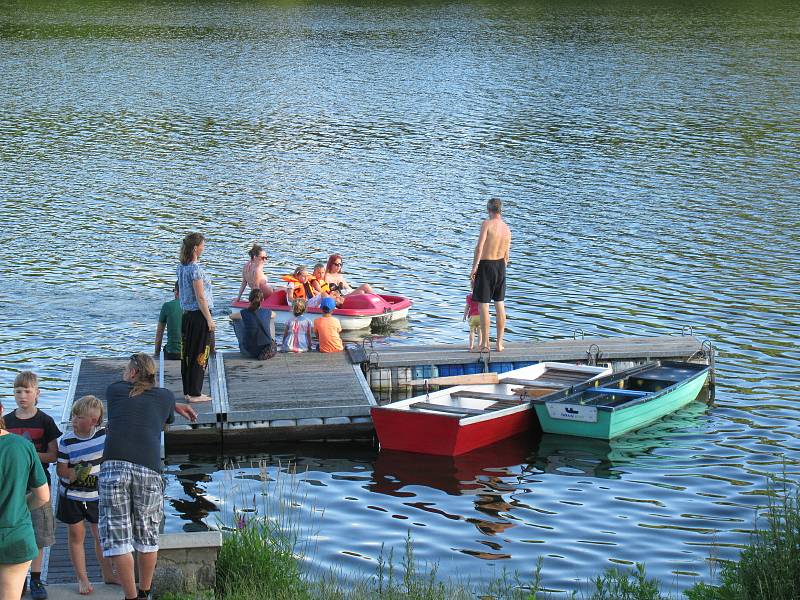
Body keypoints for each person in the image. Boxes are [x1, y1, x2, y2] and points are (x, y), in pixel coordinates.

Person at [99, 354, 197, 600]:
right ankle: (144, 592)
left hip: (115, 467)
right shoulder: (165, 396)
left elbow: (137, 397)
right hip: (148, 469)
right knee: (147, 536)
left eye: (125, 369)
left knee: (119, 536)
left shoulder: (114, 391)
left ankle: (130, 596)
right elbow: (160, 410)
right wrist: (174, 404)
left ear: (132, 373)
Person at [4, 371, 61, 600]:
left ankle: (36, 577)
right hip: (14, 487)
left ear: (37, 393)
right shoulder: (7, 421)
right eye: (18, 391)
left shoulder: (45, 420)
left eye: (27, 391)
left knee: (39, 534)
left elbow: (53, 455)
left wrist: (29, 455)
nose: (22, 396)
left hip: (38, 484)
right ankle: (21, 578)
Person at [56, 395, 115, 595]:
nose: (73, 420)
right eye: (73, 416)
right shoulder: (66, 440)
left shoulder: (103, 434)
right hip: (72, 495)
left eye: (79, 417)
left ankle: (108, 573)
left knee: (101, 536)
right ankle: (82, 578)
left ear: (94, 421)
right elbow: (60, 469)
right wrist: (70, 473)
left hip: (97, 495)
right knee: (76, 535)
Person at [0, 399, 50, 600]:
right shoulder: (21, 446)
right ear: (1, 410)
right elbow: (42, 496)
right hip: (16, 534)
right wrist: (20, 506)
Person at [470, 198, 511, 353]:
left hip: (487, 265)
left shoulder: (486, 224)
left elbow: (479, 248)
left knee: (484, 305)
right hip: (501, 266)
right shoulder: (507, 229)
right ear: (500, 210)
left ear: (489, 209)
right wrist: (501, 269)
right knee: (499, 303)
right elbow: (507, 255)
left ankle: (485, 344)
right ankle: (499, 343)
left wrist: (474, 268)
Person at [177, 232, 214, 403]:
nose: (204, 248)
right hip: (199, 316)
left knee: (187, 354)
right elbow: (200, 297)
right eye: (202, 246)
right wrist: (209, 319)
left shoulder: (181, 267)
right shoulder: (195, 269)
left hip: (187, 317)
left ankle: (188, 391)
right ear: (195, 248)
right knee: (200, 353)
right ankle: (196, 393)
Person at [231, 289, 277, 360]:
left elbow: (231, 316)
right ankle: (271, 340)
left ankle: (242, 344)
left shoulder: (244, 312)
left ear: (249, 300)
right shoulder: (267, 311)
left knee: (236, 321)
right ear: (262, 300)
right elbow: (274, 314)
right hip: (266, 350)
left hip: (248, 352)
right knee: (271, 318)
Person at [154, 282, 182, 360]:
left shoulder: (167, 306)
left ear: (176, 292)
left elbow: (159, 334)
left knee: (167, 348)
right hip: (190, 353)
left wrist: (157, 354)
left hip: (173, 354)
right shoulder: (194, 306)